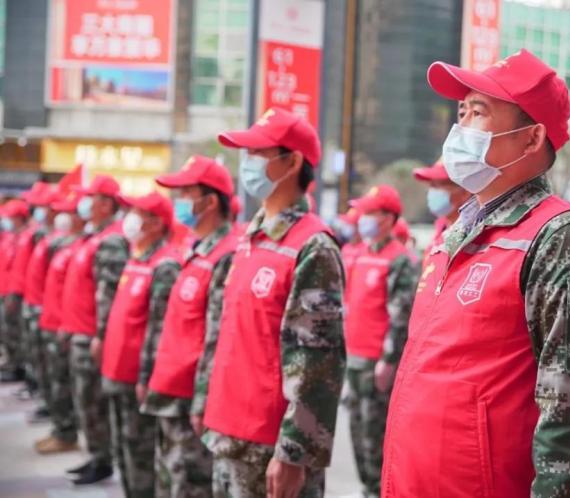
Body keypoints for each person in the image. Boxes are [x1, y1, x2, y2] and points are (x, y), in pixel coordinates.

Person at [382, 49, 570, 498]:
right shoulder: (457, 234)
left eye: (479, 112)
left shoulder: (563, 241)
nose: (460, 129)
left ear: (532, 139)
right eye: (461, 112)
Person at [201, 107, 346, 498]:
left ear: (292, 161)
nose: (246, 164)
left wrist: (294, 453)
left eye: (257, 154)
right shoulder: (252, 239)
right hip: (229, 434)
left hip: (269, 446)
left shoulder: (313, 247)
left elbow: (318, 361)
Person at [142, 156, 238, 498]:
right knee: (167, 483)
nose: (177, 202)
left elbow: (216, 340)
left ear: (210, 201)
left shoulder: (227, 256)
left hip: (190, 402)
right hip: (170, 392)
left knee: (189, 487)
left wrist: (202, 403)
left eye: (184, 193)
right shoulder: (195, 251)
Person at [100, 192, 181, 498]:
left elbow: (159, 329)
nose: (129, 218)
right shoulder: (136, 258)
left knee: (141, 453)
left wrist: (147, 376)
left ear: (157, 223)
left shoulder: (165, 265)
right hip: (117, 372)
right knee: (123, 449)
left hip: (138, 378)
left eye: (138, 212)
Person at [344, 185, 417, 498]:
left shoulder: (401, 261)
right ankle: (367, 490)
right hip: (354, 363)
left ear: (388, 218)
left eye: (370, 213)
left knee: (377, 443)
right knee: (358, 438)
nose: (362, 219)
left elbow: (400, 318)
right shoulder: (361, 255)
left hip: (377, 367)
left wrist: (388, 360)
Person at [59, 175, 129, 485]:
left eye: (92, 198)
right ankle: (97, 455)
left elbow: (108, 296)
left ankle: (103, 460)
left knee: (94, 402)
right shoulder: (94, 236)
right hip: (81, 332)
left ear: (105, 204)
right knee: (85, 401)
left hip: (92, 336)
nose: (85, 205)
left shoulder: (111, 240)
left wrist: (100, 334)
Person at [35, 192, 87, 454]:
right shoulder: (66, 245)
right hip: (54, 322)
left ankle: (66, 433)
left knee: (64, 384)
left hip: (67, 328)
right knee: (55, 380)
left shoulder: (85, 246)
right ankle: (61, 430)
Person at [22, 184, 64, 423]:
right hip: (39, 308)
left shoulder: (58, 241)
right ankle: (48, 403)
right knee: (43, 364)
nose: (37, 210)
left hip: (51, 315)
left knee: (54, 370)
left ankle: (60, 418)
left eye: (42, 206)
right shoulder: (45, 236)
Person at [412, 158, 471, 259]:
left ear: (465, 191)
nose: (431, 192)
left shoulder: (472, 238)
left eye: (437, 186)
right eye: (430, 186)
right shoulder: (441, 229)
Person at [0, 199, 31, 383]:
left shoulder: (25, 237)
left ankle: (17, 366)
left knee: (14, 330)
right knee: (6, 329)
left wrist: (14, 291)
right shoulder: (11, 237)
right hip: (5, 290)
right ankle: (11, 362)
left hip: (15, 292)